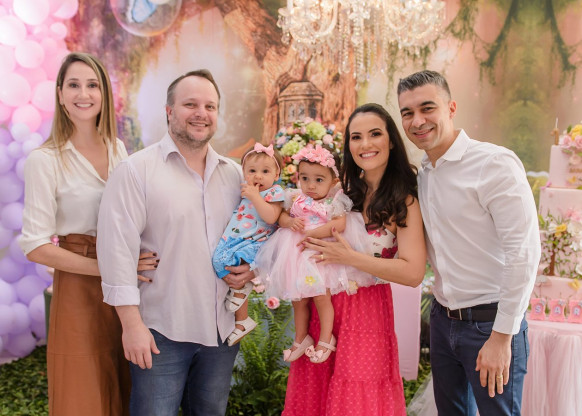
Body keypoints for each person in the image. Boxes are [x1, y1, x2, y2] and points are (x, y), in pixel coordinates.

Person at [96, 69, 255, 416]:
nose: (201, 113)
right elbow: (115, 252)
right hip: (159, 333)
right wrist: (131, 326)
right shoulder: (135, 171)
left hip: (221, 333)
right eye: (190, 104)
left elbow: (254, 236)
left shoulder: (235, 175)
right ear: (169, 111)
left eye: (210, 106)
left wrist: (252, 271)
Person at [19, 52, 157, 416]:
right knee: (83, 393)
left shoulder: (118, 149)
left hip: (128, 289)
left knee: (126, 384)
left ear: (104, 93)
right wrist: (109, 269)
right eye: (74, 85)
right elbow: (35, 246)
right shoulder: (44, 159)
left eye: (92, 85)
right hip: (79, 287)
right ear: (60, 94)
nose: (84, 93)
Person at [397, 70, 540, 415]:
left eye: (427, 108)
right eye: (407, 113)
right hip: (442, 320)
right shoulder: (423, 174)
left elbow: (523, 253)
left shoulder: (494, 163)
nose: (417, 121)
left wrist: (502, 337)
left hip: (490, 324)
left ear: (451, 108)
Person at [282, 103, 426, 415]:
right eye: (356, 137)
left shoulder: (404, 199)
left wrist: (351, 257)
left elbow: (414, 273)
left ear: (391, 140)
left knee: (356, 399)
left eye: (375, 134)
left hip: (366, 313)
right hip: (325, 308)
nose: (365, 144)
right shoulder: (342, 191)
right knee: (316, 394)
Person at [256, 144, 370, 364]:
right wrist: (288, 222)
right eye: (305, 178)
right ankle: (301, 338)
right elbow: (281, 217)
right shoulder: (295, 197)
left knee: (320, 296)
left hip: (319, 255)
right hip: (296, 256)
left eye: (319, 180)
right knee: (298, 299)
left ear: (333, 181)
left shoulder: (335, 200)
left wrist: (312, 234)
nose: (310, 185)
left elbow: (340, 224)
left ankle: (326, 338)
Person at [212, 142, 285, 346]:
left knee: (237, 264)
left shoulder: (274, 193)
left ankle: (240, 295)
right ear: (244, 173)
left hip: (258, 241)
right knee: (219, 260)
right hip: (239, 238)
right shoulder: (246, 191)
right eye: (252, 171)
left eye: (265, 171)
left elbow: (271, 217)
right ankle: (242, 319)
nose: (258, 176)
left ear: (276, 175)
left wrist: (255, 197)